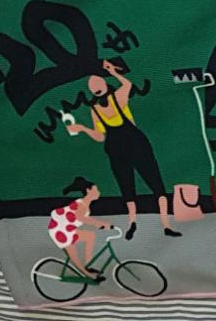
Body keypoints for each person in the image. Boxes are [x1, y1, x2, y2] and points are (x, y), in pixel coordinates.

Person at [62, 59, 179, 240]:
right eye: (92, 86)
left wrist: (114, 72)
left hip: (137, 145)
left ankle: (166, 224)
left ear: (104, 83)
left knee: (155, 182)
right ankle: (132, 223)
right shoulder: (95, 109)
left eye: (97, 83)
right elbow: (100, 136)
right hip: (116, 150)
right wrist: (82, 128)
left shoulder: (117, 98)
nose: (95, 87)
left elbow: (127, 85)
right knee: (127, 187)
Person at [48, 177, 113, 280]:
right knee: (73, 254)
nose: (98, 193)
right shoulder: (82, 205)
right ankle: (88, 275)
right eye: (96, 190)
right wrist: (100, 224)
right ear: (88, 191)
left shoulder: (85, 205)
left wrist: (100, 224)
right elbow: (81, 218)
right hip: (60, 230)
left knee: (90, 236)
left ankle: (88, 265)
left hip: (67, 228)